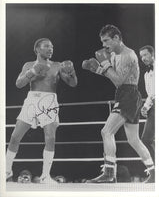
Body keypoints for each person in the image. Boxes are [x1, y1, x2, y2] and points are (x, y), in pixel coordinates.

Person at [82, 24, 155, 183]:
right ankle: (154, 172)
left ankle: (109, 173)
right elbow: (115, 80)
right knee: (133, 140)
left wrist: (104, 64)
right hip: (126, 94)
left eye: (106, 40)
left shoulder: (129, 55)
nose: (104, 45)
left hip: (128, 95)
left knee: (106, 132)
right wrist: (97, 69)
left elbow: (119, 80)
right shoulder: (114, 55)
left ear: (116, 38)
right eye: (102, 42)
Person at [6, 38, 78, 183]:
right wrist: (33, 71)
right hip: (32, 99)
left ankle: (45, 175)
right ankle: (6, 171)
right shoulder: (29, 65)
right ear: (37, 49)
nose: (51, 49)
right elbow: (19, 84)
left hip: (50, 100)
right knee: (15, 137)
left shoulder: (57, 65)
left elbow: (73, 83)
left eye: (52, 47)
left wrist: (72, 72)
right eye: (47, 46)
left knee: (50, 137)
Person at [139, 45, 155, 164]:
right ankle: (155, 172)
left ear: (152, 54)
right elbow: (151, 94)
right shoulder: (146, 74)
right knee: (146, 139)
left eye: (145, 54)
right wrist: (145, 107)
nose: (143, 58)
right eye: (141, 56)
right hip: (154, 108)